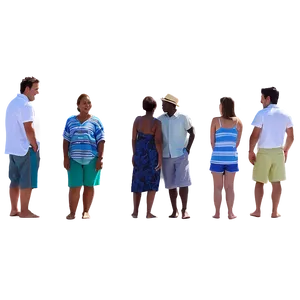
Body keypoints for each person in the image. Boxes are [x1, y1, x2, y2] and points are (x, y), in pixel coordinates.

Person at [247, 87, 296, 220]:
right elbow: (292, 136)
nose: (259, 101)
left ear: (268, 98)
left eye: (261, 98)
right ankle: (275, 211)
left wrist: (250, 153)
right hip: (279, 151)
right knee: (277, 182)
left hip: (263, 152)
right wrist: (286, 151)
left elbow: (254, 136)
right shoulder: (286, 114)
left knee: (259, 182)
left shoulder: (261, 114)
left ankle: (258, 210)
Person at [61, 91, 107, 221]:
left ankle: (86, 211)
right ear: (78, 105)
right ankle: (72, 211)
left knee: (89, 186)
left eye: (89, 103)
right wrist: (64, 157)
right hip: (74, 158)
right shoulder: (70, 121)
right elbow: (65, 140)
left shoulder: (97, 121)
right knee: (74, 187)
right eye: (84, 103)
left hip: (92, 159)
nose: (87, 105)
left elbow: (102, 140)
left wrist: (101, 158)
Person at [2, 75, 42, 219]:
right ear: (27, 89)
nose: (38, 93)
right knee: (28, 183)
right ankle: (26, 211)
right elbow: (29, 128)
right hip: (24, 149)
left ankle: (13, 209)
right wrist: (36, 145)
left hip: (11, 150)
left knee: (13, 182)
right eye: (36, 89)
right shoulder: (26, 105)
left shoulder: (11, 103)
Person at [158, 92, 195, 220]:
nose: (162, 104)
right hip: (166, 155)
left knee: (184, 183)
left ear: (171, 104)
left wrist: (189, 148)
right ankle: (173, 210)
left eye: (164, 103)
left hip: (181, 155)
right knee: (170, 185)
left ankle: (184, 210)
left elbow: (191, 132)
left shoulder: (183, 117)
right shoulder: (160, 119)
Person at [208, 96, 245, 222]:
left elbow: (211, 142)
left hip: (217, 158)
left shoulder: (215, 121)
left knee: (217, 187)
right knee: (230, 187)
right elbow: (239, 143)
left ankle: (217, 214)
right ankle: (230, 214)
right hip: (232, 159)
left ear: (222, 107)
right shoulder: (239, 122)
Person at [128, 95, 162, 219]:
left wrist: (131, 156)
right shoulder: (156, 122)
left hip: (138, 154)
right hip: (152, 154)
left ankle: (134, 212)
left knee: (136, 182)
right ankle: (149, 212)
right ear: (155, 107)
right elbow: (158, 142)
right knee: (152, 183)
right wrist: (160, 158)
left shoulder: (136, 121)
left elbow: (131, 140)